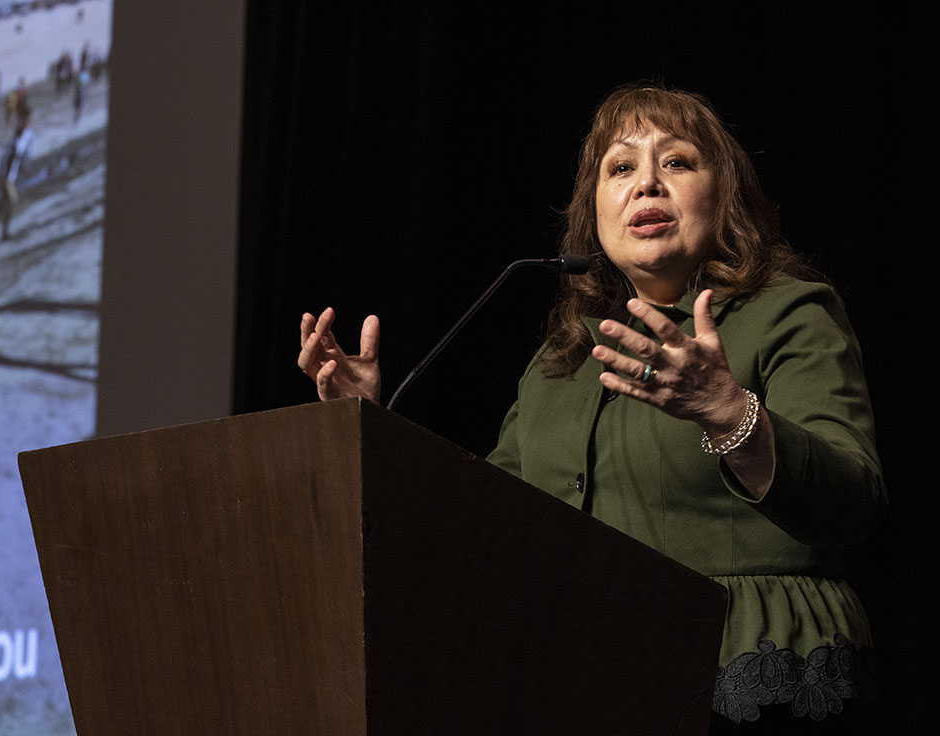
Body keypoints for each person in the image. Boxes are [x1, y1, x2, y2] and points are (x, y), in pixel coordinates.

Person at [296, 84, 885, 732]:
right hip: (579, 675)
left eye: (679, 162)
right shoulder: (563, 361)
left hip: (741, 672)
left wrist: (726, 409)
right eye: (622, 167)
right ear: (595, 211)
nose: (648, 185)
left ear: (726, 197)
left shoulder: (787, 313)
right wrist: (371, 424)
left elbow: (852, 498)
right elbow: (482, 522)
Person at [0, 106, 33, 242]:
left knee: (4, 203)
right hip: (6, 176)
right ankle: (3, 231)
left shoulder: (22, 136)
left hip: (8, 175)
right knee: (11, 201)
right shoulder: (18, 137)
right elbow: (12, 157)